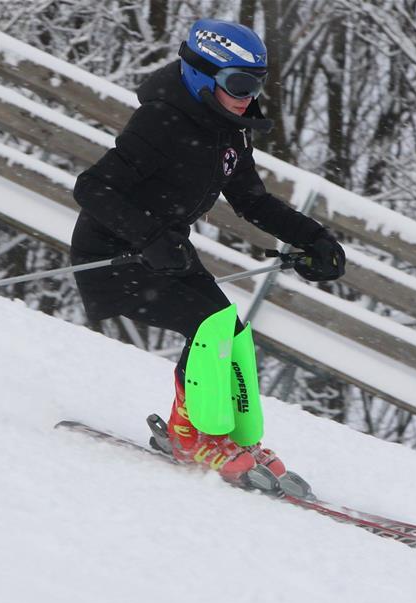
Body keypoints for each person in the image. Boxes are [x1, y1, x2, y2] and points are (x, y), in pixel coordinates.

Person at [70, 18, 345, 482]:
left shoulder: (228, 129)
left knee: (230, 332)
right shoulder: (161, 122)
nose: (248, 96)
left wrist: (313, 237)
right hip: (116, 254)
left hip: (167, 250)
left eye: (256, 84)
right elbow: (94, 188)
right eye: (239, 83)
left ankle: (227, 436)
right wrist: (151, 237)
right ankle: (194, 435)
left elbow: (251, 200)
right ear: (202, 75)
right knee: (206, 328)